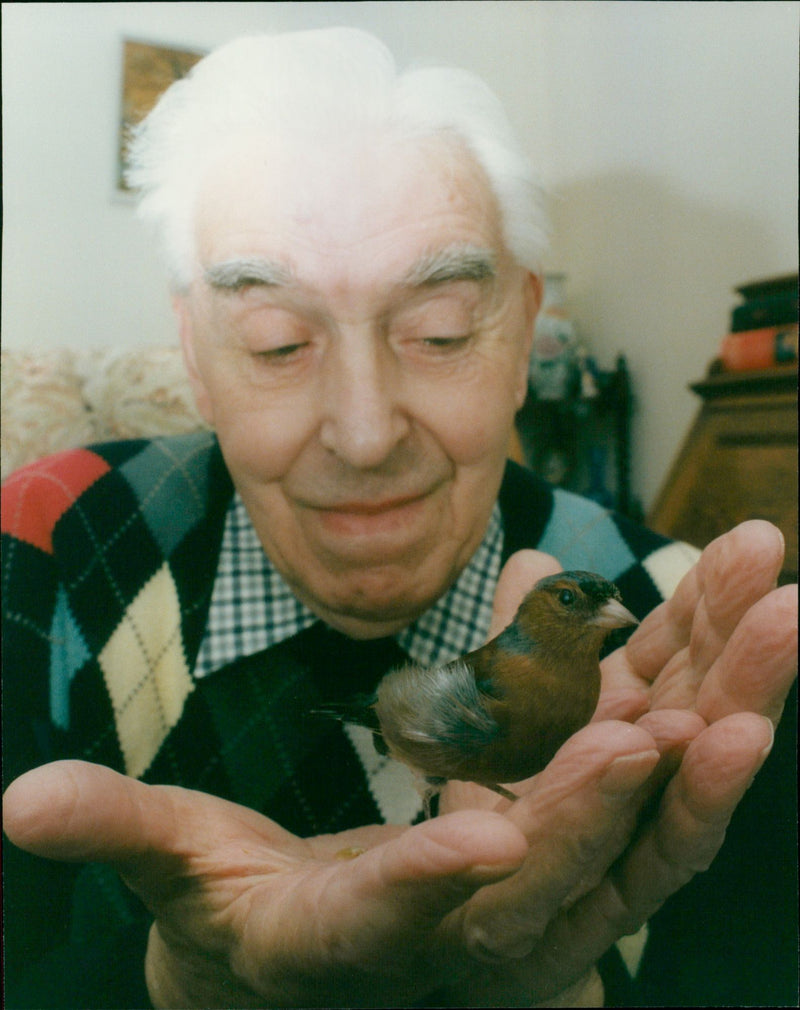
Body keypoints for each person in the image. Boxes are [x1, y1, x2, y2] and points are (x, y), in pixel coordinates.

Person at [1, 27, 796, 1009]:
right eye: (277, 342)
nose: (366, 433)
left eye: (438, 332)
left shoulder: (693, 630)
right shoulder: (38, 551)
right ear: (194, 354)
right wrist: (186, 978)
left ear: (518, 339)